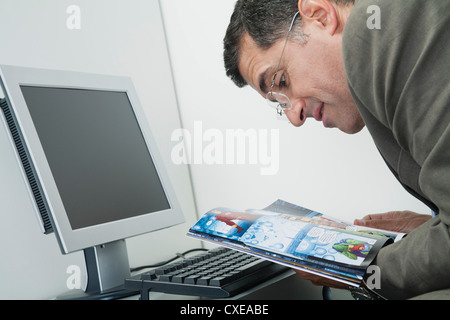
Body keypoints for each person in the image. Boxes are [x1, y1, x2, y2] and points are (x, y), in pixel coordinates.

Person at [223, 0, 450, 299]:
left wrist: (358, 269)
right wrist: (427, 231)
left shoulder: (383, 30)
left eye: (281, 81)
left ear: (319, 14)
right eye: (279, 102)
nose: (295, 117)